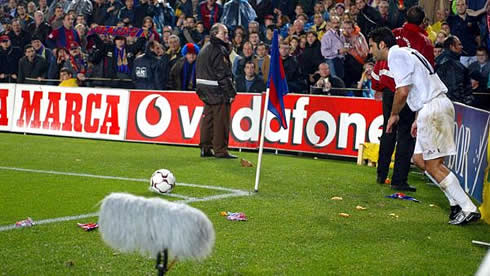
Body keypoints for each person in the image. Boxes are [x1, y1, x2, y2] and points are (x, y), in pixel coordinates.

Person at [368, 27, 480, 225]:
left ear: (382, 44)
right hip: (431, 107)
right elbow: (421, 83)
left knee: (434, 165)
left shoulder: (395, 56)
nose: (370, 51)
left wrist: (394, 115)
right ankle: (455, 204)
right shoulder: (409, 52)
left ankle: (468, 207)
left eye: (371, 46)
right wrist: (417, 118)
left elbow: (402, 91)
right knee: (419, 159)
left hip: (433, 107)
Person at [196, 23, 237, 159]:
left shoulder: (205, 48)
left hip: (204, 88)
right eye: (223, 33)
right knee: (221, 121)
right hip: (217, 90)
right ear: (215, 34)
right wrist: (231, 92)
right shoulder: (219, 50)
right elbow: (223, 73)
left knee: (208, 120)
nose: (227, 36)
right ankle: (220, 150)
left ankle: (205, 147)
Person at [435, 36, 475, 106]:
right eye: (459, 44)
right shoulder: (453, 64)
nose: (462, 47)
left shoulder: (438, 60)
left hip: (440, 102)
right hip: (453, 105)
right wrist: (460, 105)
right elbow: (454, 89)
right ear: (452, 47)